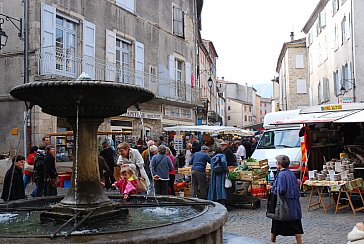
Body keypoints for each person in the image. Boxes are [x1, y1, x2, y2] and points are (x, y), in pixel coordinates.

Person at [267, 155, 303, 244]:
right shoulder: (291, 173)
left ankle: (272, 240)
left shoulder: (281, 175)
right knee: (295, 224)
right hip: (293, 203)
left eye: (276, 162)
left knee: (277, 222)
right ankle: (299, 242)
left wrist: (271, 188)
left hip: (284, 203)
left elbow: (281, 190)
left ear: (279, 164)